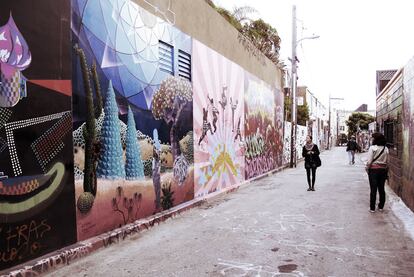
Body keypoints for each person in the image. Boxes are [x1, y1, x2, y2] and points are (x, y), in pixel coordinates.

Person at [365, 133, 389, 213]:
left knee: (373, 189)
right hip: (383, 170)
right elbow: (388, 162)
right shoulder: (386, 149)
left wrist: (367, 168)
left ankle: (372, 208)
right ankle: (381, 206)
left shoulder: (372, 148)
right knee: (381, 188)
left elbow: (369, 161)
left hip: (373, 171)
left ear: (375, 139)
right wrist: (386, 170)